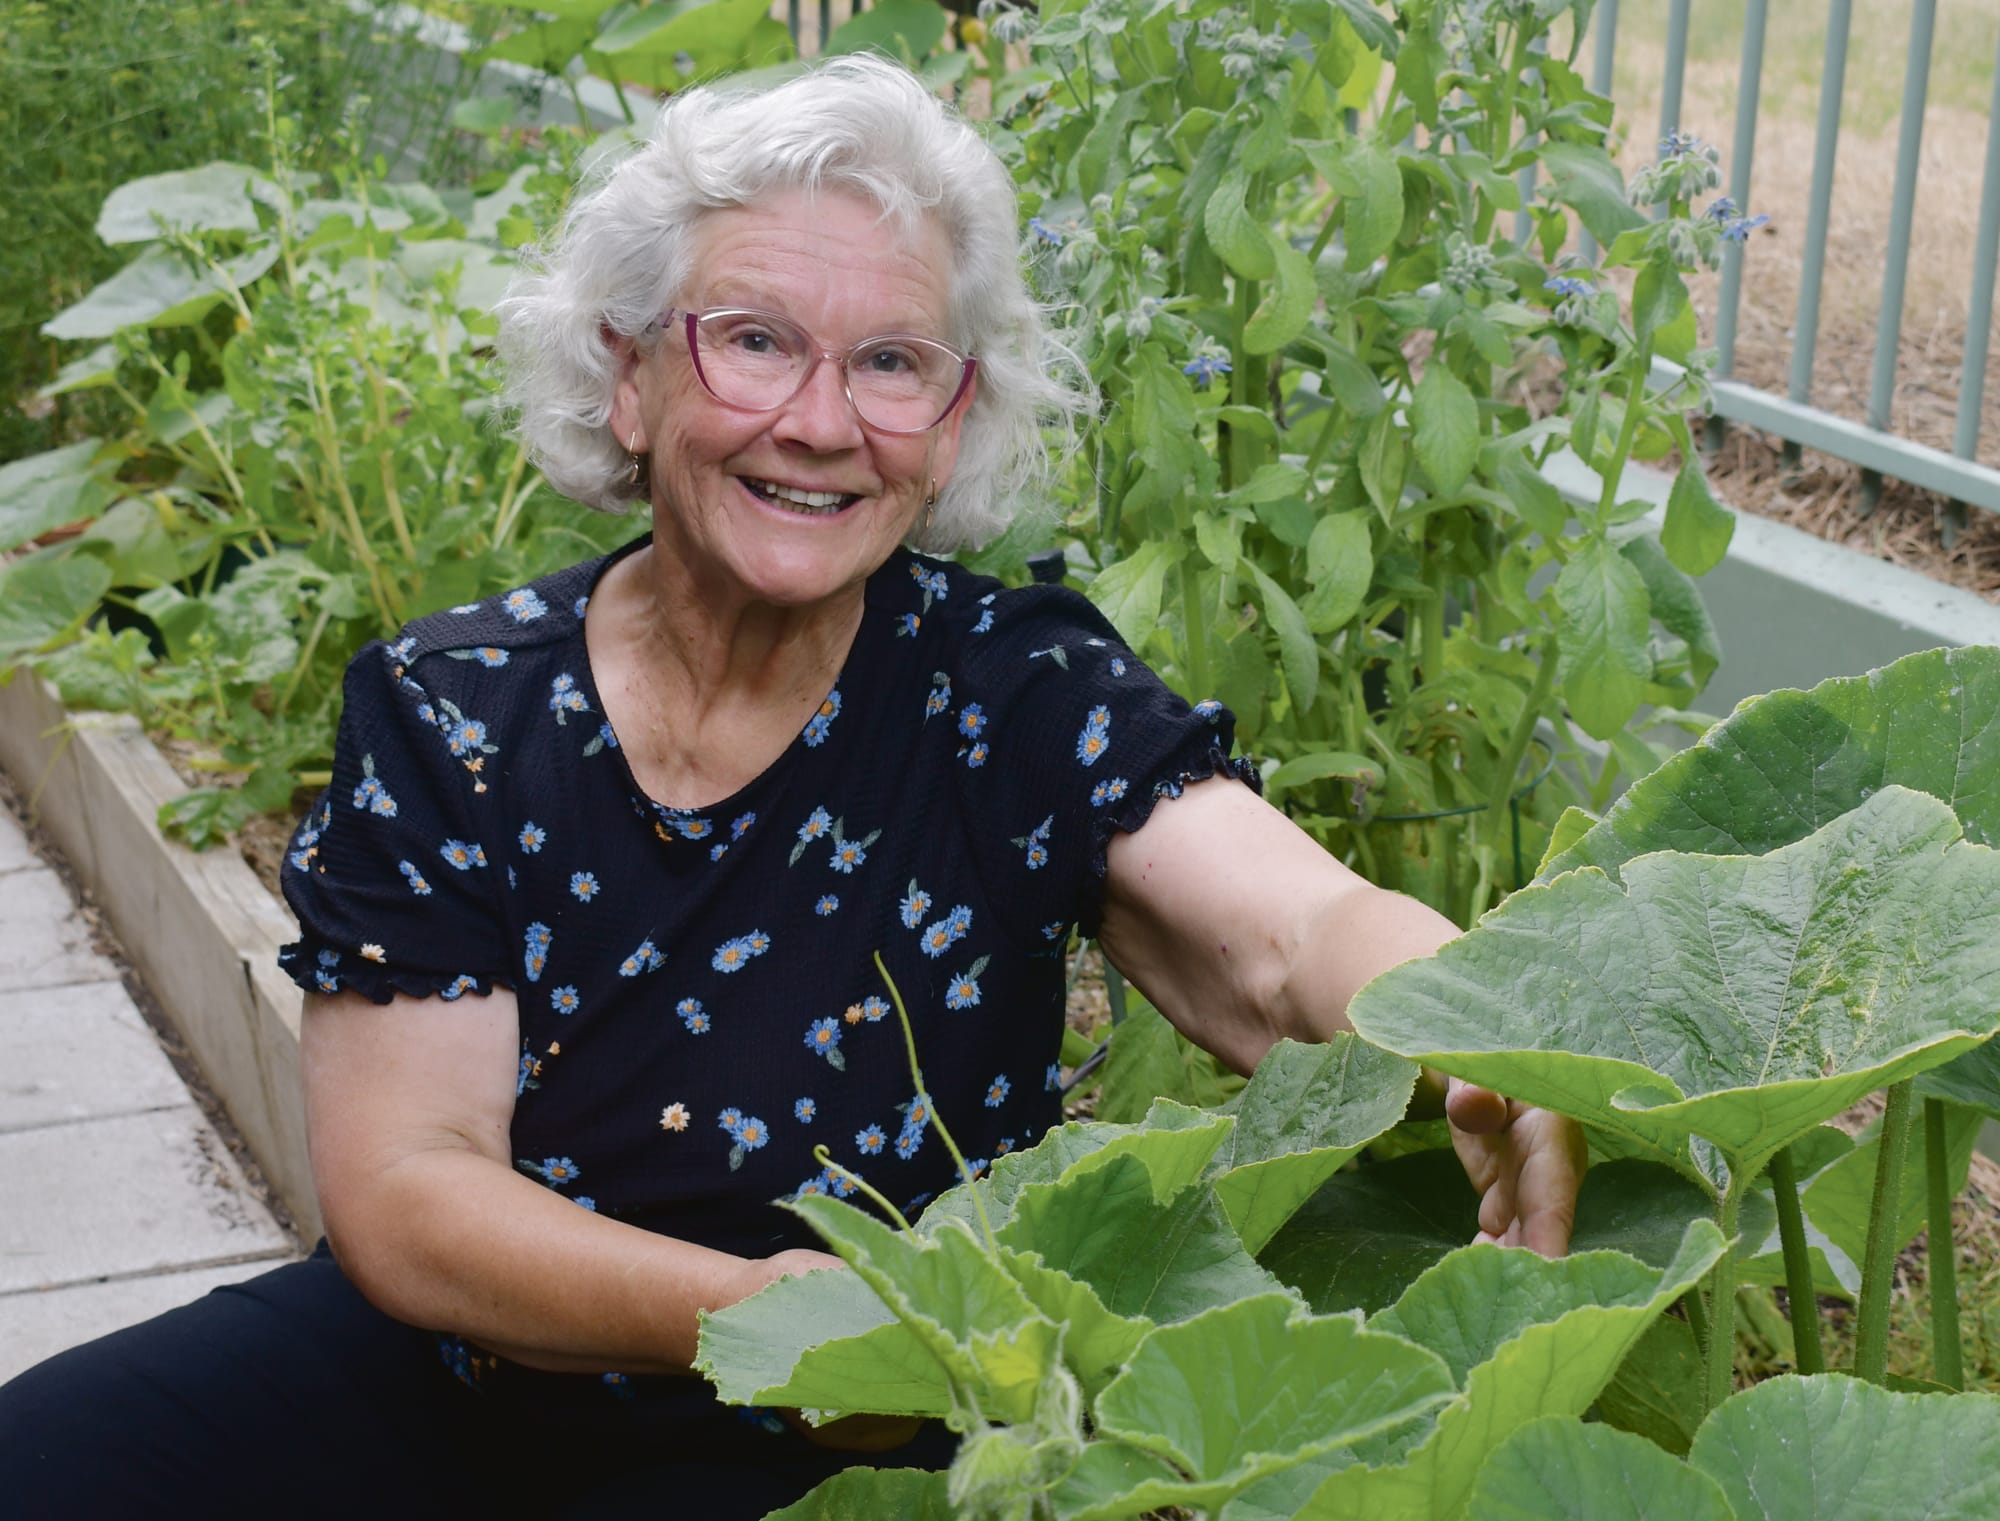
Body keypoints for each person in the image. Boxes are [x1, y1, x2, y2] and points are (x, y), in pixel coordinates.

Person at [0, 55, 1583, 1517]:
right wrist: (767, 1319)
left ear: (951, 422)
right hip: (496, 1378)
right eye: (754, 339)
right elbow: (410, 1195)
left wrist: (1468, 1033)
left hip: (881, 1445)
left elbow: (1288, 928)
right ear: (629, 380)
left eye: (893, 363)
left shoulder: (1006, 686)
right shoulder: (457, 707)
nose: (820, 423)